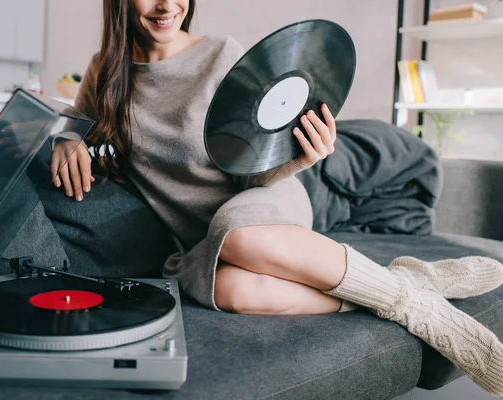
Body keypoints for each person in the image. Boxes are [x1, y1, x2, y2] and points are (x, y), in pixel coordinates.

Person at [51, 0, 503, 395]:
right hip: (199, 237)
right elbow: (71, 120)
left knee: (239, 237)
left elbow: (258, 163)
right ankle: (406, 283)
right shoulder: (106, 72)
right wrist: (67, 140)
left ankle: (419, 311)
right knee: (232, 290)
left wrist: (306, 158)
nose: (168, 5)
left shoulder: (221, 53)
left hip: (262, 202)